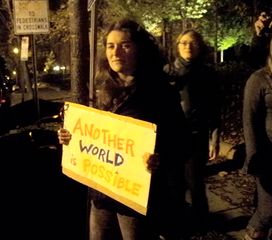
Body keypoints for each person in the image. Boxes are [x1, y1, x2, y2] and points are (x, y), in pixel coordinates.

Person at [59, 19, 190, 240]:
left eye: (125, 45)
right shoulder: (103, 88)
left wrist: (159, 158)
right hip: (102, 193)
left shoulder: (160, 92)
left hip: (136, 197)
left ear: (139, 49)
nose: (116, 52)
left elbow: (181, 140)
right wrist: (70, 137)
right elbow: (94, 135)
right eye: (110, 46)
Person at [164, 29, 221, 232]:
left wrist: (215, 137)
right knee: (174, 184)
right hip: (171, 137)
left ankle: (201, 222)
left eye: (193, 43)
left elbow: (214, 108)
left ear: (200, 46)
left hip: (196, 137)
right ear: (177, 46)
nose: (188, 46)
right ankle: (176, 222)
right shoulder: (167, 72)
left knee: (196, 182)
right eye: (184, 42)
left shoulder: (208, 74)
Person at [242, 36, 272, 240]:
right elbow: (249, 121)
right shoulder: (259, 79)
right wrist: (253, 157)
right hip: (268, 156)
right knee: (267, 211)